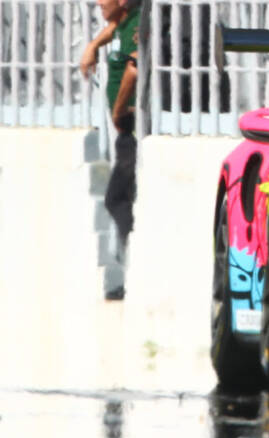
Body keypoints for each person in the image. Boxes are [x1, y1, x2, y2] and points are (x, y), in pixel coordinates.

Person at [82, 0, 140, 300]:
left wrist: (117, 111)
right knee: (119, 197)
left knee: (117, 197)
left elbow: (133, 70)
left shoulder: (139, 23)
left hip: (132, 126)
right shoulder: (123, 23)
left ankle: (132, 263)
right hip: (126, 130)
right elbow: (114, 30)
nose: (99, 2)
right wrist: (92, 44)